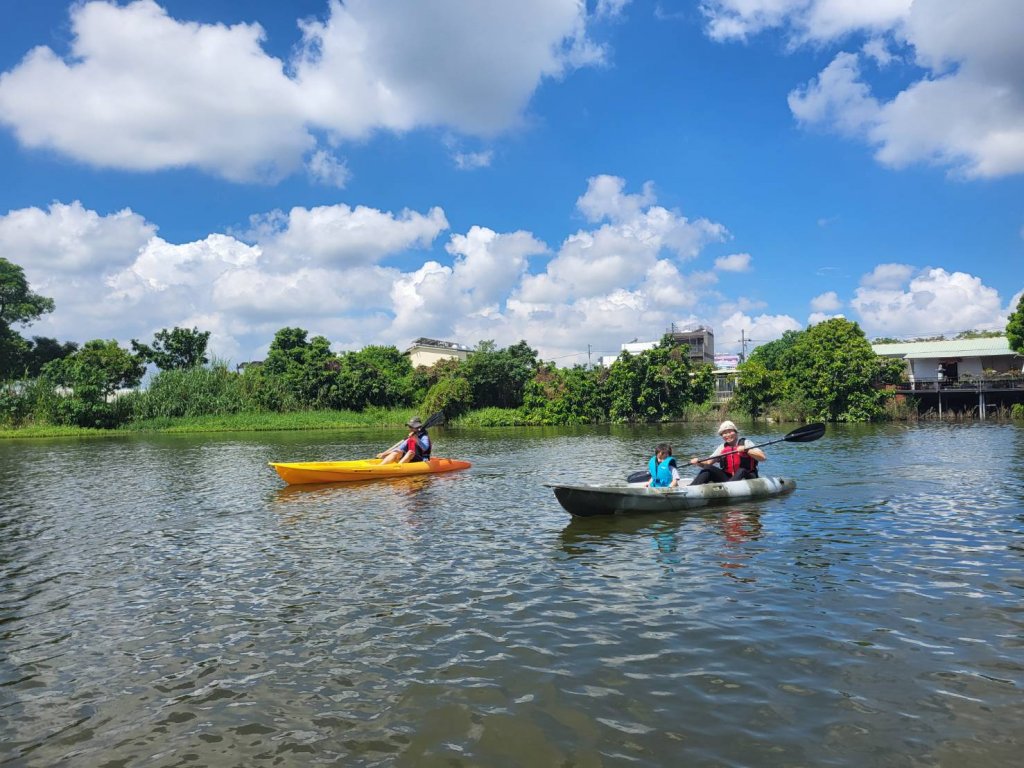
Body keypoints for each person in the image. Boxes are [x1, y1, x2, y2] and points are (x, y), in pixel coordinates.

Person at [688, 420, 765, 485]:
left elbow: (762, 457)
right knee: (708, 468)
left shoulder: (746, 442)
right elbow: (708, 462)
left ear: (736, 432)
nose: (727, 435)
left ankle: (729, 487)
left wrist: (747, 450)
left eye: (730, 431)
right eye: (724, 433)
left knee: (742, 470)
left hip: (747, 477)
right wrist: (698, 462)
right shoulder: (722, 447)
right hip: (729, 478)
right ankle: (691, 488)